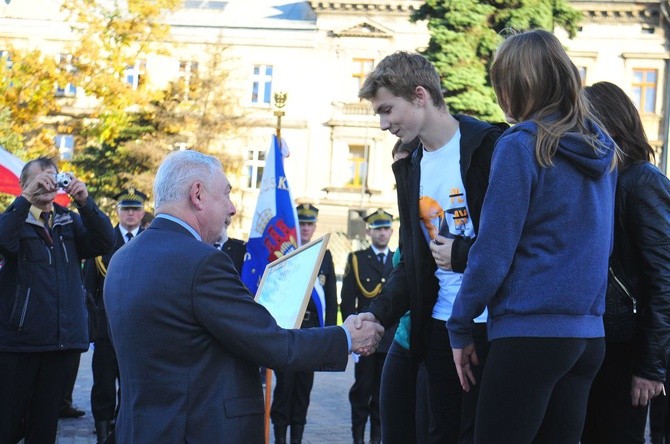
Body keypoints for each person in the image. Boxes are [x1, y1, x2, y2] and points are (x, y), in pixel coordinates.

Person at [103, 149, 384, 443]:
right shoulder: (202, 262)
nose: (233, 208)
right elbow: (273, 345)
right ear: (197, 195)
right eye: (225, 194)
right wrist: (347, 337)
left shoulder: (122, 258)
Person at [446, 29, 618, 443]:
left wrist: (460, 323)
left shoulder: (521, 145)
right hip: (587, 337)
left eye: (500, 82)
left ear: (517, 84)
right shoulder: (604, 149)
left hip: (530, 333)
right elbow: (601, 246)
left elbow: (492, 250)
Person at [357, 51, 506, 443]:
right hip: (440, 325)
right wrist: (377, 314)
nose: (383, 123)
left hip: (494, 324)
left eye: (388, 110)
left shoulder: (490, 147)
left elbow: (516, 242)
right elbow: (413, 265)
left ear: (420, 95)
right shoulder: (411, 167)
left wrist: (461, 253)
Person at [0, 156, 115, 443]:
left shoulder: (68, 220)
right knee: (8, 424)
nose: (48, 184)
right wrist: (26, 199)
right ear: (24, 185)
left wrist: (85, 202)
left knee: (44, 427)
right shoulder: (15, 220)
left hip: (59, 342)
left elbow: (104, 242)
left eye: (53, 177)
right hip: (20, 343)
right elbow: (3, 241)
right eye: (41, 179)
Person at [581, 81, 670, 443]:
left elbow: (665, 280)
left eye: (582, 121)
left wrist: (651, 367)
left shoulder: (641, 181)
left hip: (626, 349)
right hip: (592, 341)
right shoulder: (598, 180)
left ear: (609, 124)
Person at [82, 187, 147, 443]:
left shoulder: (151, 238)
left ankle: (125, 431)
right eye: (126, 209)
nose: (131, 214)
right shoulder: (104, 240)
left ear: (143, 212)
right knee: (104, 384)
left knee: (133, 384)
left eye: (135, 209)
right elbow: (89, 286)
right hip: (107, 326)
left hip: (142, 328)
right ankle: (102, 433)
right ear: (118, 211)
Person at [271, 203, 338, 444]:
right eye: (303, 223)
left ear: (315, 226)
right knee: (284, 387)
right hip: (288, 330)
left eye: (310, 224)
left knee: (303, 389)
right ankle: (280, 437)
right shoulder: (286, 251)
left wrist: (330, 333)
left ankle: (296, 438)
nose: (307, 228)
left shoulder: (324, 254)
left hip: (311, 331)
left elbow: (331, 297)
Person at [379, 137, 430, 444]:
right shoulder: (406, 216)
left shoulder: (434, 207)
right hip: (404, 337)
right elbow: (404, 273)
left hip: (434, 338)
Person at [341, 209, 396, 444]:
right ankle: (358, 439)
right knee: (363, 390)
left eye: (386, 229)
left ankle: (377, 439)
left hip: (391, 338)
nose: (382, 234)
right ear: (368, 231)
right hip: (364, 338)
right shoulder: (357, 259)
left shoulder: (398, 260)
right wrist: (349, 337)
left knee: (383, 394)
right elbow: (347, 301)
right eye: (378, 229)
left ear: (392, 231)